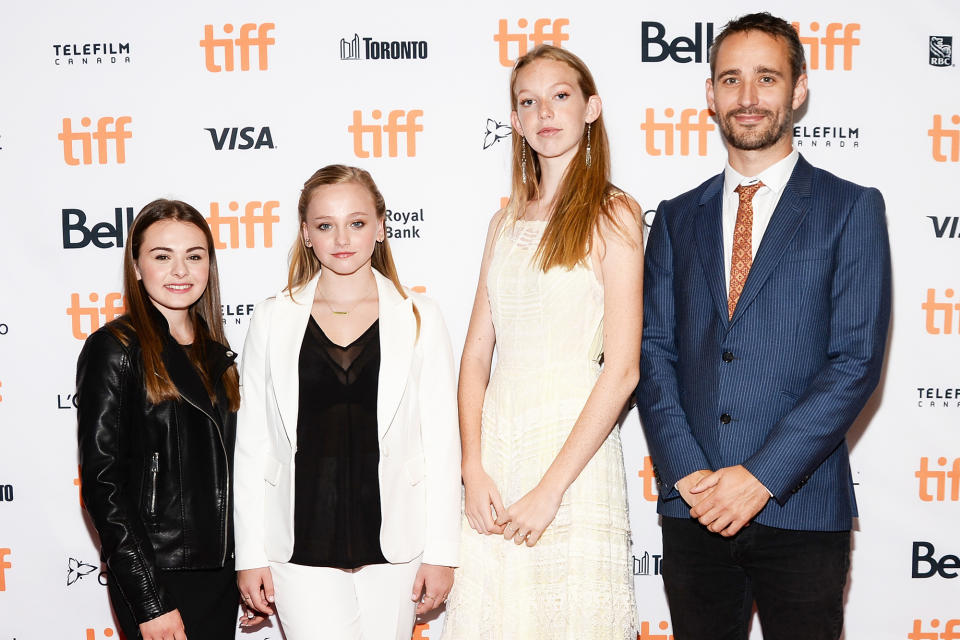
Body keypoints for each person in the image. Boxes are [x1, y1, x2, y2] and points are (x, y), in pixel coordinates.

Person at [637, 12, 891, 640]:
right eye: (731, 80)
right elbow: (652, 354)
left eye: (767, 79)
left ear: (798, 89)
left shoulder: (851, 207)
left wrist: (759, 478)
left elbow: (855, 360)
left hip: (800, 506)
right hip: (693, 508)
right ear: (710, 94)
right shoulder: (673, 218)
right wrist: (690, 476)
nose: (747, 98)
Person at [441, 45, 643, 639]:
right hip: (499, 452)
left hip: (573, 459)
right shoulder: (503, 223)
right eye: (528, 101)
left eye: (560, 96)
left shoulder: (615, 214)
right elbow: (477, 354)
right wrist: (473, 467)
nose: (544, 112)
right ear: (515, 121)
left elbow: (623, 369)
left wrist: (551, 489)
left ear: (591, 109)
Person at [233, 165, 460, 640]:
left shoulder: (421, 316)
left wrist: (442, 552)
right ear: (306, 234)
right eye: (325, 225)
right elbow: (253, 445)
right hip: (297, 544)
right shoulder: (274, 318)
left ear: (380, 227)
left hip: (397, 541)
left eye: (356, 222)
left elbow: (442, 443)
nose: (342, 238)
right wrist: (250, 554)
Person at [77, 199, 243, 640]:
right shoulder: (115, 348)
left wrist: (246, 568)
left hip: (221, 574)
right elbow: (103, 483)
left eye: (194, 256)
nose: (180, 271)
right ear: (136, 266)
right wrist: (149, 598)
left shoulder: (217, 355)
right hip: (158, 572)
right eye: (162, 256)